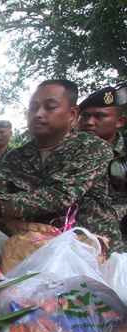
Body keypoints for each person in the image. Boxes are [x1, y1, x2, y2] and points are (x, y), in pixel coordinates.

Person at [0, 80, 124, 253]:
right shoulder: (17, 156)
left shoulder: (93, 148)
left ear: (72, 113)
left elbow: (60, 195)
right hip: (35, 250)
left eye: (50, 107)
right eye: (33, 108)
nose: (38, 114)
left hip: (89, 252)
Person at [78, 86, 127, 233]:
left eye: (100, 116)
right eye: (84, 116)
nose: (89, 122)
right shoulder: (68, 150)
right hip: (76, 233)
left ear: (120, 121)